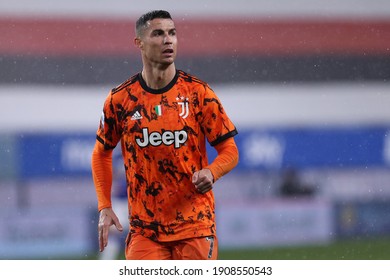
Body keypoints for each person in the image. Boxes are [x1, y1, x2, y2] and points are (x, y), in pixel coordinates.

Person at [91, 10, 239, 260]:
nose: (168, 40)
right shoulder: (120, 99)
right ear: (139, 43)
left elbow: (230, 151)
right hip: (144, 232)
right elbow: (101, 154)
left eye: (172, 33)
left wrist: (212, 172)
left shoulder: (198, 93)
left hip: (195, 226)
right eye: (158, 34)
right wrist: (105, 206)